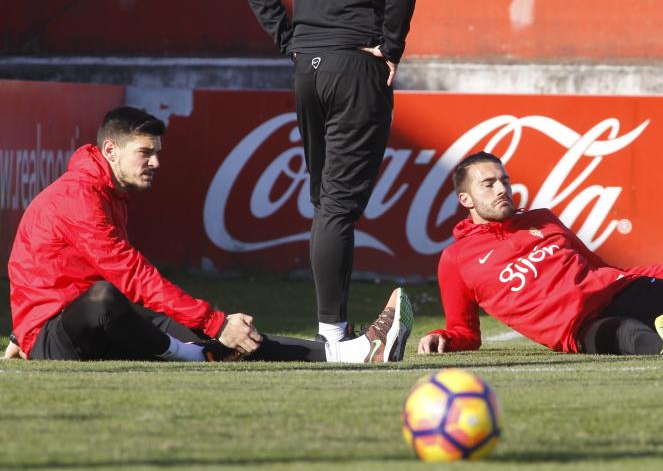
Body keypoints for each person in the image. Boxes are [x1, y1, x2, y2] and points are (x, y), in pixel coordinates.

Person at [6, 106, 413, 363]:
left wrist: (217, 325)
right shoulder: (80, 195)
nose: (156, 162)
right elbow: (129, 275)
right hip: (62, 334)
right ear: (110, 151)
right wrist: (29, 331)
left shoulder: (106, 190)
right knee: (107, 298)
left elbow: (36, 264)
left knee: (235, 334)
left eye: (158, 152)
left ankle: (352, 352)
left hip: (83, 328)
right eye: (145, 152)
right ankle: (188, 357)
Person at [244, 0, 418, 344]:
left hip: (309, 69)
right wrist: (391, 47)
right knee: (336, 208)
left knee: (327, 205)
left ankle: (333, 326)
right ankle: (332, 333)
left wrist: (291, 44)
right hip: (356, 64)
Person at [417, 152, 663, 357]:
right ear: (466, 201)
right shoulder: (456, 259)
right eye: (488, 184)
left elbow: (604, 270)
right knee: (644, 342)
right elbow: (465, 332)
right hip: (582, 328)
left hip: (622, 292)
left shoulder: (542, 219)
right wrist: (442, 337)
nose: (502, 188)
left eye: (503, 179)